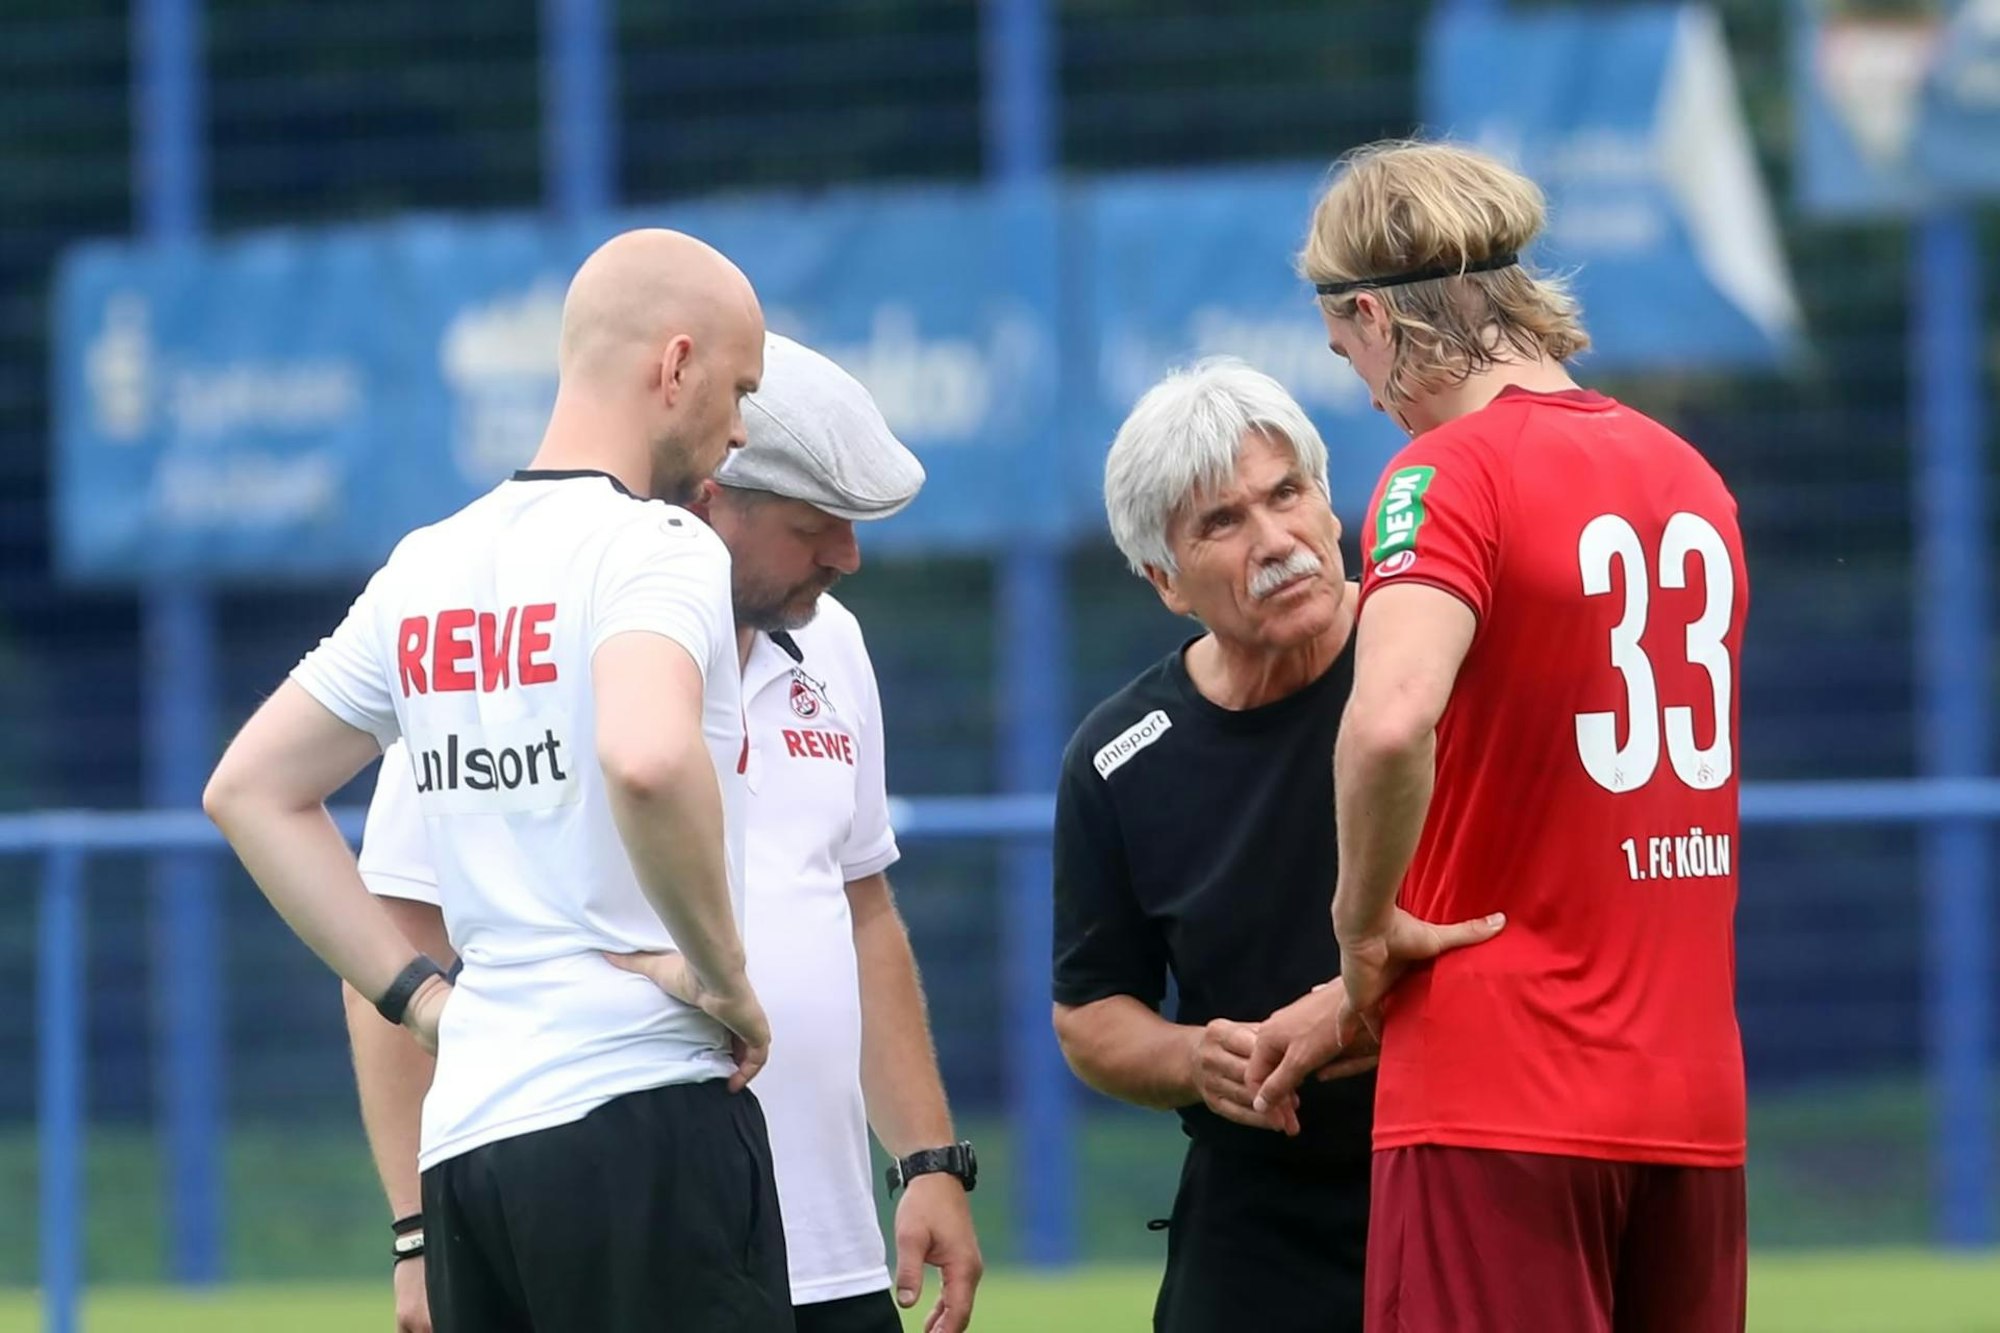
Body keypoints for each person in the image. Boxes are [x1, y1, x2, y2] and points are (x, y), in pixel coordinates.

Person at [204, 228, 793, 1332]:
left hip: (471, 1152)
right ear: (675, 366)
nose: (741, 427)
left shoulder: (427, 564)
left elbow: (249, 789)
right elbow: (646, 755)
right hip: (641, 1119)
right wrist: (721, 977)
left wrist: (422, 1003)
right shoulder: (658, 548)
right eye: (740, 388)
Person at [346, 332, 984, 1333]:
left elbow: (859, 910)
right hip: (621, 1240)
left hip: (833, 1254)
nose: (847, 557)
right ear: (710, 499)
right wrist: (418, 1234)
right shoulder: (513, 631)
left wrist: (928, 1160)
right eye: (813, 526)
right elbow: (391, 938)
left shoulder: (834, 645)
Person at [1249, 139, 1750, 1332]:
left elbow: (1387, 723)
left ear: (1372, 314)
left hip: (1497, 1100)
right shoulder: (1686, 475)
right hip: (1691, 1102)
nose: (1367, 396)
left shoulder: (1442, 475)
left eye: (1347, 357)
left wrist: (1361, 934)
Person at [1047, 359, 1496, 1333]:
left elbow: (1532, 910)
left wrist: (1356, 1004)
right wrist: (1194, 1059)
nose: (1276, 541)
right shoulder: (1118, 759)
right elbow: (1089, 1011)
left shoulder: (1439, 660)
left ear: (1329, 502)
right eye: (1221, 522)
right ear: (1164, 581)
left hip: (1470, 1170)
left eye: (1286, 493)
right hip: (1254, 1219)